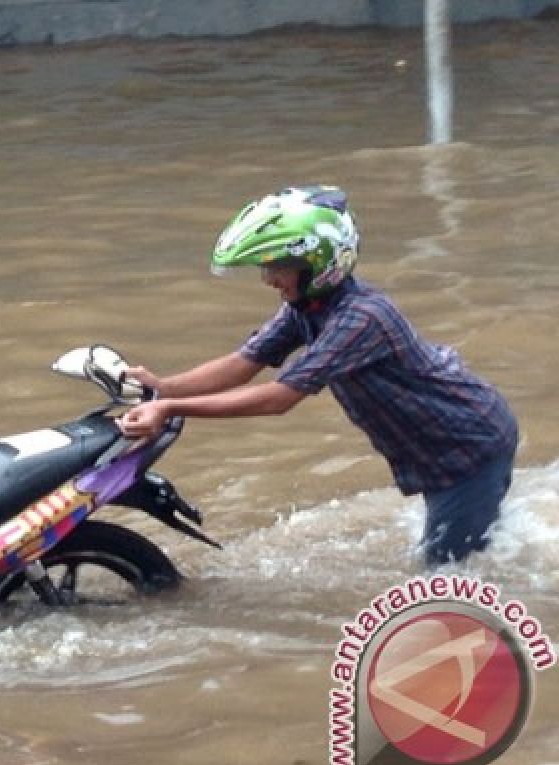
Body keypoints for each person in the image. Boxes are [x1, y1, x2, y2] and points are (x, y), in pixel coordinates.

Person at [118, 185, 518, 567]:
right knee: (464, 555)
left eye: (278, 267)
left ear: (319, 263)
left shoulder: (362, 318)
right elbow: (243, 363)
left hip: (468, 449)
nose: (269, 279)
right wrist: (162, 387)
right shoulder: (305, 307)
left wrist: (169, 408)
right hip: (437, 450)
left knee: (442, 583)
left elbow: (280, 398)